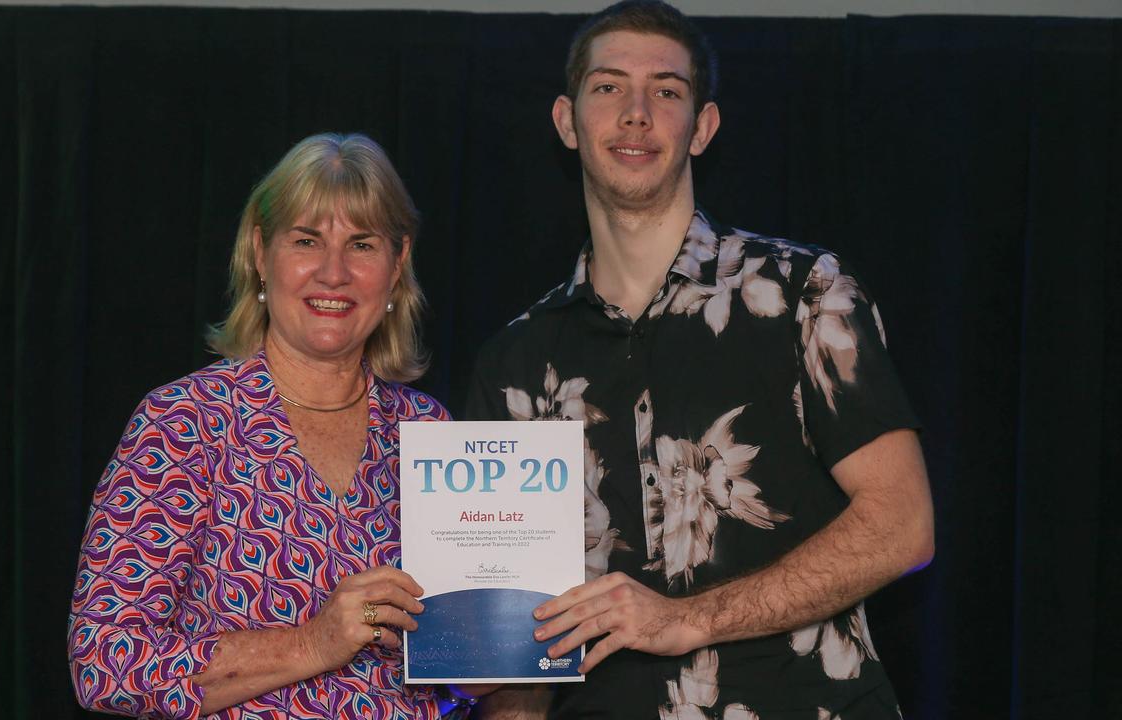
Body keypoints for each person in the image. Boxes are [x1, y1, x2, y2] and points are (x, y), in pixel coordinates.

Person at [465, 2, 935, 718]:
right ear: (567, 120)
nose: (635, 112)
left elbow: (903, 526)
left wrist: (691, 619)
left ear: (702, 127)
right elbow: (516, 661)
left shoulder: (802, 295)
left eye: (666, 90)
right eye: (608, 86)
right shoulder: (515, 361)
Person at [68, 132, 453, 719]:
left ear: (397, 265)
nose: (333, 273)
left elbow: (466, 661)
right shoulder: (184, 424)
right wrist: (313, 642)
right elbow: (105, 665)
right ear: (259, 253)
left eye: (362, 244)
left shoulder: (432, 432)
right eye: (306, 241)